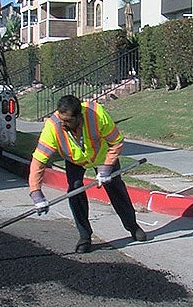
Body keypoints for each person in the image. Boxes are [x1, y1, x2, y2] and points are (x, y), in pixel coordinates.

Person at [28, 94, 147, 253]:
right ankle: (85, 236)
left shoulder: (97, 115)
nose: (63, 124)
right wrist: (36, 193)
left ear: (79, 116)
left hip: (103, 156)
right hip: (75, 160)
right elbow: (38, 161)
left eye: (68, 121)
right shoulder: (53, 126)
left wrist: (105, 168)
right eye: (61, 119)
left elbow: (116, 142)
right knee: (75, 190)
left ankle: (132, 226)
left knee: (115, 187)